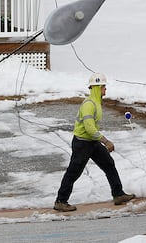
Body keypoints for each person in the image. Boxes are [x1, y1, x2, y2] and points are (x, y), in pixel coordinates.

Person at [53, 73, 135, 212]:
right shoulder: (89, 104)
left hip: (92, 142)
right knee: (74, 172)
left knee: (109, 164)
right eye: (103, 87)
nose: (105, 90)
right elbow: (89, 128)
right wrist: (106, 141)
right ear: (97, 88)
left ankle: (118, 194)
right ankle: (61, 201)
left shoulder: (96, 103)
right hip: (82, 144)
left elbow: (92, 130)